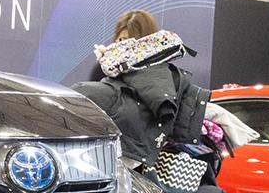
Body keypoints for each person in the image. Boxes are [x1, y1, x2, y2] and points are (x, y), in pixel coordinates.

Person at [73, 9, 209, 170]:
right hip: (104, 148)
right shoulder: (105, 67)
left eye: (132, 40)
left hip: (137, 156)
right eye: (121, 39)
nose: (124, 45)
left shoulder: (162, 77)